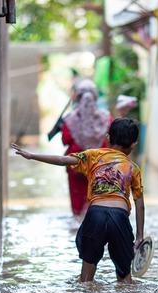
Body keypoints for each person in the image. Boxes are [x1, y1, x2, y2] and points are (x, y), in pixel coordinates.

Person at [12, 118, 145, 283]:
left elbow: (63, 160)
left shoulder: (93, 155)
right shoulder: (134, 168)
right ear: (133, 144)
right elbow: (140, 205)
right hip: (120, 217)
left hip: (95, 214)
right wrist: (139, 236)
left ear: (108, 137)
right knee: (125, 278)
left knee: (85, 279)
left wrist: (32, 155)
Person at [62, 79, 113, 217]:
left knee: (78, 196)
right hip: (99, 165)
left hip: (75, 164)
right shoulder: (106, 117)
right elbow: (112, 140)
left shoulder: (69, 119)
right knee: (98, 195)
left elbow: (65, 140)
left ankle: (78, 222)